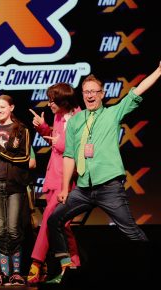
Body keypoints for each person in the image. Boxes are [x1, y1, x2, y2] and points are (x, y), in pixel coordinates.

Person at [46, 61, 161, 283]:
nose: (90, 95)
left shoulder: (113, 113)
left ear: (102, 93)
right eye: (86, 92)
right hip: (83, 188)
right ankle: (65, 270)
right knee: (54, 220)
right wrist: (63, 188)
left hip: (109, 186)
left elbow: (136, 92)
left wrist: (157, 71)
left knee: (131, 231)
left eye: (94, 92)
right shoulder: (76, 120)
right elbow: (69, 155)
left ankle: (153, 269)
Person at [27, 83, 81, 285]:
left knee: (50, 219)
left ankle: (36, 263)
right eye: (49, 100)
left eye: (53, 101)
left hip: (66, 179)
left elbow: (73, 148)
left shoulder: (78, 116)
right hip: (53, 176)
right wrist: (43, 128)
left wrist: (57, 141)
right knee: (63, 225)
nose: (50, 104)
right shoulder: (58, 116)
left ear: (63, 101)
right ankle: (73, 265)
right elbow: (55, 140)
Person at [0, 94, 32, 286]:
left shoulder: (21, 130)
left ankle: (16, 273)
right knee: (0, 230)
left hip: (14, 186)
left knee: (13, 229)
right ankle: (3, 272)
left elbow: (24, 158)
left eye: (2, 107)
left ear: (11, 108)